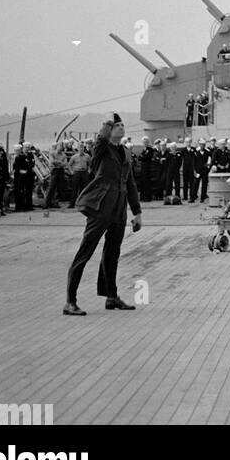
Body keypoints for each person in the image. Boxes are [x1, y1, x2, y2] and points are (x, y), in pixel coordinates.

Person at [63, 115, 142, 314]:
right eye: (117, 126)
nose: (121, 128)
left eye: (123, 125)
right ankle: (70, 301)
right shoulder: (101, 148)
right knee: (85, 252)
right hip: (100, 207)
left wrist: (137, 212)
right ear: (108, 129)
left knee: (112, 253)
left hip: (118, 208)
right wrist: (108, 122)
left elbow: (130, 183)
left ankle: (111, 296)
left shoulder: (124, 151)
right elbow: (100, 139)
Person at [13, 143, 35, 212]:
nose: (27, 149)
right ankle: (20, 206)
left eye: (28, 147)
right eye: (26, 147)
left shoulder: (30, 155)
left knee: (29, 191)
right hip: (21, 176)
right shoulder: (19, 157)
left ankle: (29, 205)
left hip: (29, 175)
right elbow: (17, 167)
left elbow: (32, 164)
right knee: (21, 191)